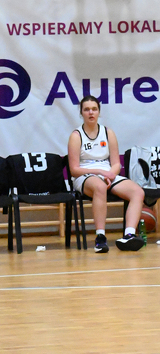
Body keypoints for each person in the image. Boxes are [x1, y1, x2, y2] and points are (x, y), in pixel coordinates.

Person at [68, 95, 145, 253]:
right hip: (85, 175)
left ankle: (129, 234)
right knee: (100, 187)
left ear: (99, 112)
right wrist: (99, 173)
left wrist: (109, 175)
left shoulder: (108, 133)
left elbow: (116, 163)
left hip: (108, 174)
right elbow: (74, 169)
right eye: (87, 109)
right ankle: (100, 238)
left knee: (137, 192)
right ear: (81, 113)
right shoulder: (76, 136)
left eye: (94, 109)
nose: (91, 112)